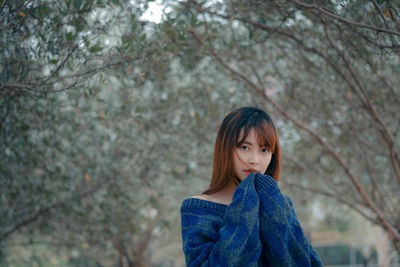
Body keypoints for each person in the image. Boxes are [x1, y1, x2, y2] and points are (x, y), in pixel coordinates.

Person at [180, 106, 323, 266]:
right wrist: (245, 207)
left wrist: (274, 209)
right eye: (244, 147)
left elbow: (303, 262)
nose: (254, 160)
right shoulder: (198, 209)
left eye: (264, 149)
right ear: (225, 149)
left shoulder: (280, 205)